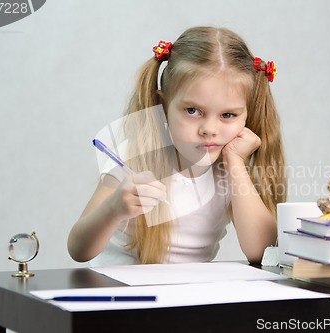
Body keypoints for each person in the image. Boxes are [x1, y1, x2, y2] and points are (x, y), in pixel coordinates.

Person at [67, 26, 286, 265]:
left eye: (228, 115)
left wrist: (235, 162)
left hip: (187, 297)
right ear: (164, 107)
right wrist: (114, 208)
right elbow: (78, 249)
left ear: (247, 116)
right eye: (193, 111)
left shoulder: (232, 172)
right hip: (121, 293)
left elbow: (262, 252)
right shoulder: (134, 155)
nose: (209, 129)